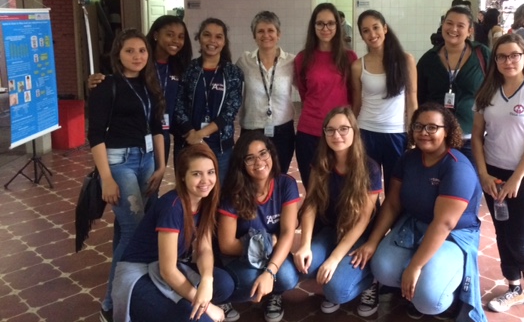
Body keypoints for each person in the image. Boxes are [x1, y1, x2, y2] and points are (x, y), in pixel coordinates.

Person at [351, 103, 486, 322]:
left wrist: (415, 267)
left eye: (432, 127)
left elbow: (443, 224)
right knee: (381, 268)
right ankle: (415, 283)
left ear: (447, 132)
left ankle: (449, 289)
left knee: (429, 299)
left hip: (452, 235)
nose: (424, 132)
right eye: (418, 126)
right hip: (414, 224)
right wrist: (373, 242)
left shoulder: (457, 167)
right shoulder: (408, 159)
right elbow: (393, 204)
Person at [471, 33, 524, 313]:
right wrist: (483, 174)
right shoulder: (487, 92)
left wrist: (517, 178)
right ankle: (513, 288)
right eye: (502, 56)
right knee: (501, 232)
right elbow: (476, 136)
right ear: (494, 60)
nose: (508, 61)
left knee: (518, 236)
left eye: (514, 55)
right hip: (494, 174)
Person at [87, 28, 166, 321]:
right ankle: (111, 303)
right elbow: (95, 135)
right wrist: (106, 177)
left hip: (147, 161)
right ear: (117, 54)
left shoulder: (149, 85)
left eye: (142, 51)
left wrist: (161, 166)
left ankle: (138, 287)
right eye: (129, 51)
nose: (137, 56)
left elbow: (157, 128)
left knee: (133, 228)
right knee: (135, 231)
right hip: (118, 163)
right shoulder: (106, 86)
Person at [112, 144, 235, 322]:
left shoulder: (205, 201)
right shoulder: (173, 206)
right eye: (196, 174)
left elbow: (204, 248)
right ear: (183, 177)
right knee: (204, 319)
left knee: (223, 284)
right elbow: (168, 271)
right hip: (139, 274)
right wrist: (206, 306)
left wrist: (207, 280)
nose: (205, 180)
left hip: (164, 268)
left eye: (210, 172)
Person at [294, 107, 383, 318]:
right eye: (331, 130)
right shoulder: (321, 162)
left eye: (344, 129)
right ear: (324, 133)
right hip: (331, 229)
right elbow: (311, 203)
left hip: (359, 236)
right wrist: (305, 244)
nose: (337, 135)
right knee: (296, 270)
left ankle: (371, 281)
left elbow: (363, 220)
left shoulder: (370, 168)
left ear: (354, 131)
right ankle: (338, 269)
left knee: (336, 290)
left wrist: (334, 258)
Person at [89, 15, 193, 171]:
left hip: (163, 132)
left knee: (156, 179)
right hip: (139, 133)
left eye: (180, 37)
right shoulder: (138, 63)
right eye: (169, 34)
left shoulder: (181, 66)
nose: (175, 41)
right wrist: (94, 80)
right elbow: (119, 82)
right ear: (156, 35)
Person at [218, 133, 300, 322]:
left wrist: (270, 271)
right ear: (241, 163)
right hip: (238, 257)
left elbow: (288, 232)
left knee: (287, 277)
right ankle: (222, 296)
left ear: (271, 154)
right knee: (250, 282)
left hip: (268, 254)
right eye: (250, 158)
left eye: (263, 153)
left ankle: (274, 294)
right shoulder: (233, 191)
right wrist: (268, 242)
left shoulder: (286, 183)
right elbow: (227, 245)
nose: (259, 161)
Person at [351, 9, 417, 193]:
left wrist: (412, 136)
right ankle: (370, 221)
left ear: (385, 28)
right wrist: (350, 131)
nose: (372, 34)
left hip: (396, 133)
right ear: (362, 36)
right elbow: (357, 103)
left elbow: (412, 101)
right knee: (366, 187)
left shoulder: (406, 60)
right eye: (366, 31)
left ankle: (392, 223)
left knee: (395, 188)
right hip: (366, 132)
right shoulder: (358, 66)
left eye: (375, 27)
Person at [416, 5, 491, 163]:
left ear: (470, 31)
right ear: (442, 25)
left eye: (460, 25)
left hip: (471, 138)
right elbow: (419, 97)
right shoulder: (429, 59)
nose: (453, 29)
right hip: (436, 138)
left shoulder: (482, 54)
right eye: (449, 23)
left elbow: (495, 88)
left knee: (470, 182)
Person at [294, 3, 357, 188]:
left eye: (330, 23)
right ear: (313, 27)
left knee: (340, 188)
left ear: (338, 26)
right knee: (313, 189)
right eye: (320, 23)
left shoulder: (349, 57)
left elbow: (353, 94)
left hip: (340, 133)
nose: (325, 28)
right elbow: (304, 92)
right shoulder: (302, 58)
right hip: (310, 132)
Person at [174, 18, 244, 185]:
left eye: (218, 37)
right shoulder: (188, 69)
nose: (212, 41)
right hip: (187, 143)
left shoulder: (233, 72)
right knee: (188, 194)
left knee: (218, 195)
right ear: (199, 37)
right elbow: (178, 104)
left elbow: (230, 110)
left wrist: (201, 134)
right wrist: (191, 133)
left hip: (220, 147)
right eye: (207, 35)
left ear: (224, 41)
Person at [236, 11, 296, 175]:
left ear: (278, 34)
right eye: (260, 31)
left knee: (279, 173)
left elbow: (307, 89)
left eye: (270, 30)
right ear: (254, 36)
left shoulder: (291, 62)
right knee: (253, 175)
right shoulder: (244, 62)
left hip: (283, 130)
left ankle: (276, 201)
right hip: (252, 129)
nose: (266, 35)